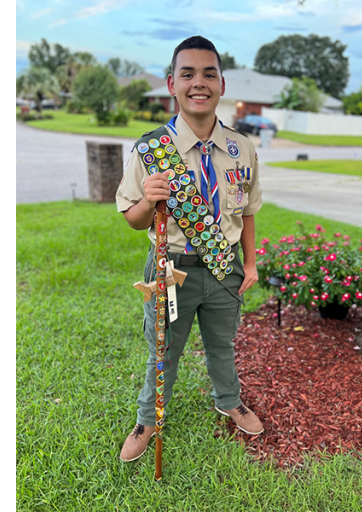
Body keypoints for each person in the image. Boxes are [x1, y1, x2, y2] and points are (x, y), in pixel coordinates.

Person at [115, 36, 264, 462]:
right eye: (188, 74)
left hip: (224, 267)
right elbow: (133, 218)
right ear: (171, 84)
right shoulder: (152, 150)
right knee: (163, 349)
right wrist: (149, 199)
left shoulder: (242, 147)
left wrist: (250, 263)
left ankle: (229, 400)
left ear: (221, 84)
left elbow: (248, 210)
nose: (198, 82)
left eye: (208, 73)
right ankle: (148, 419)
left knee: (223, 344)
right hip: (170, 268)